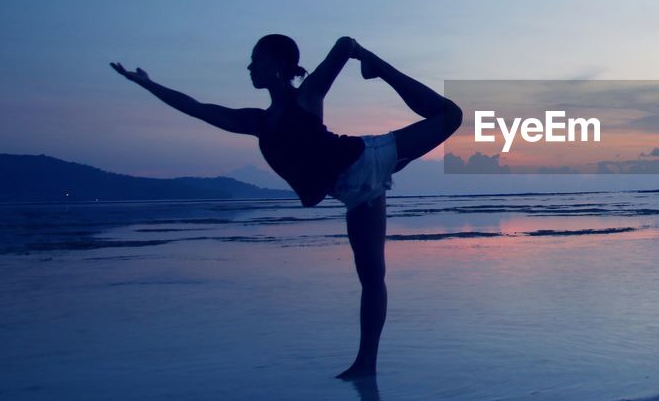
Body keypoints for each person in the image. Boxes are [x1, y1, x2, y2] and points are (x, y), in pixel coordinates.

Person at [111, 35, 462, 379]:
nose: (250, 67)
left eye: (257, 59)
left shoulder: (307, 96)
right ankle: (365, 365)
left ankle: (378, 66)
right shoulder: (257, 121)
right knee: (371, 278)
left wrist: (358, 54)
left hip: (366, 160)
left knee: (451, 115)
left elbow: (343, 44)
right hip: (355, 193)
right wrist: (148, 84)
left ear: (278, 65)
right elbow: (199, 109)